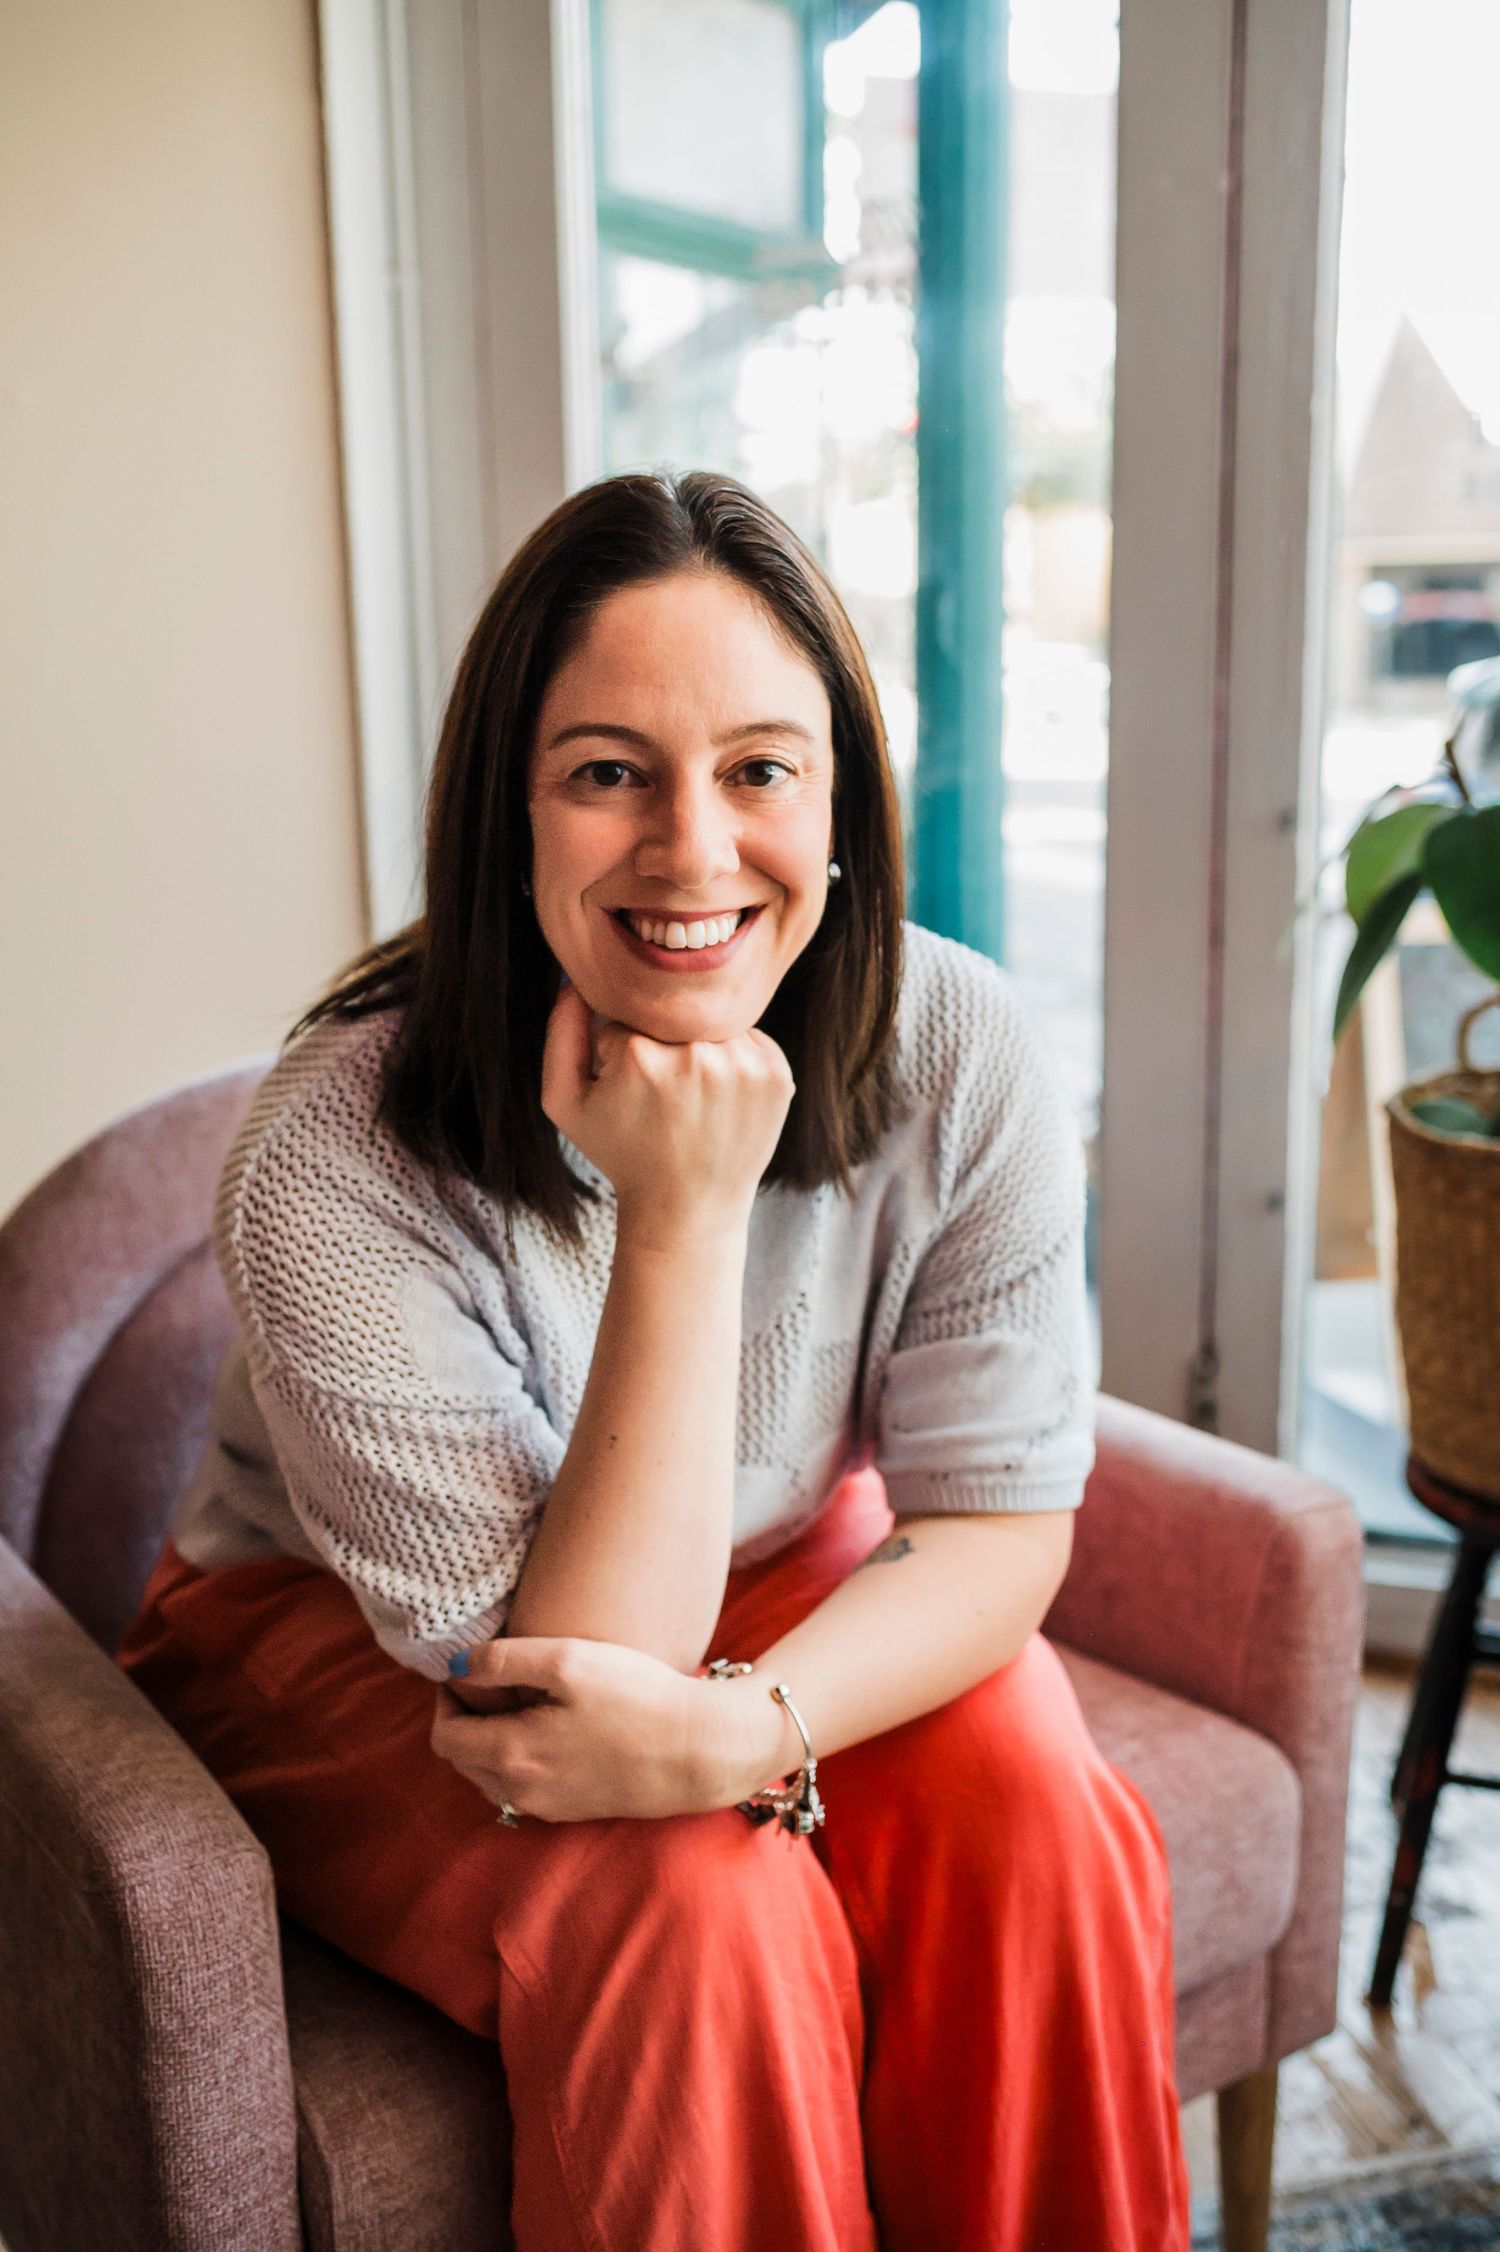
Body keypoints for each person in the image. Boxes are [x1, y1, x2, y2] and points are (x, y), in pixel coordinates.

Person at [115, 468, 1192, 2252]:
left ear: (838, 807)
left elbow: (998, 1527)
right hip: (358, 1638)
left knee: (1028, 1799)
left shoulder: (960, 1045)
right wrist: (683, 1216)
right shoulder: (328, 1155)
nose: (694, 849)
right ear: (509, 818)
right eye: (609, 771)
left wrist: (746, 1728)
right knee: (696, 1902)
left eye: (761, 768)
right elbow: (562, 1682)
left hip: (763, 1576)